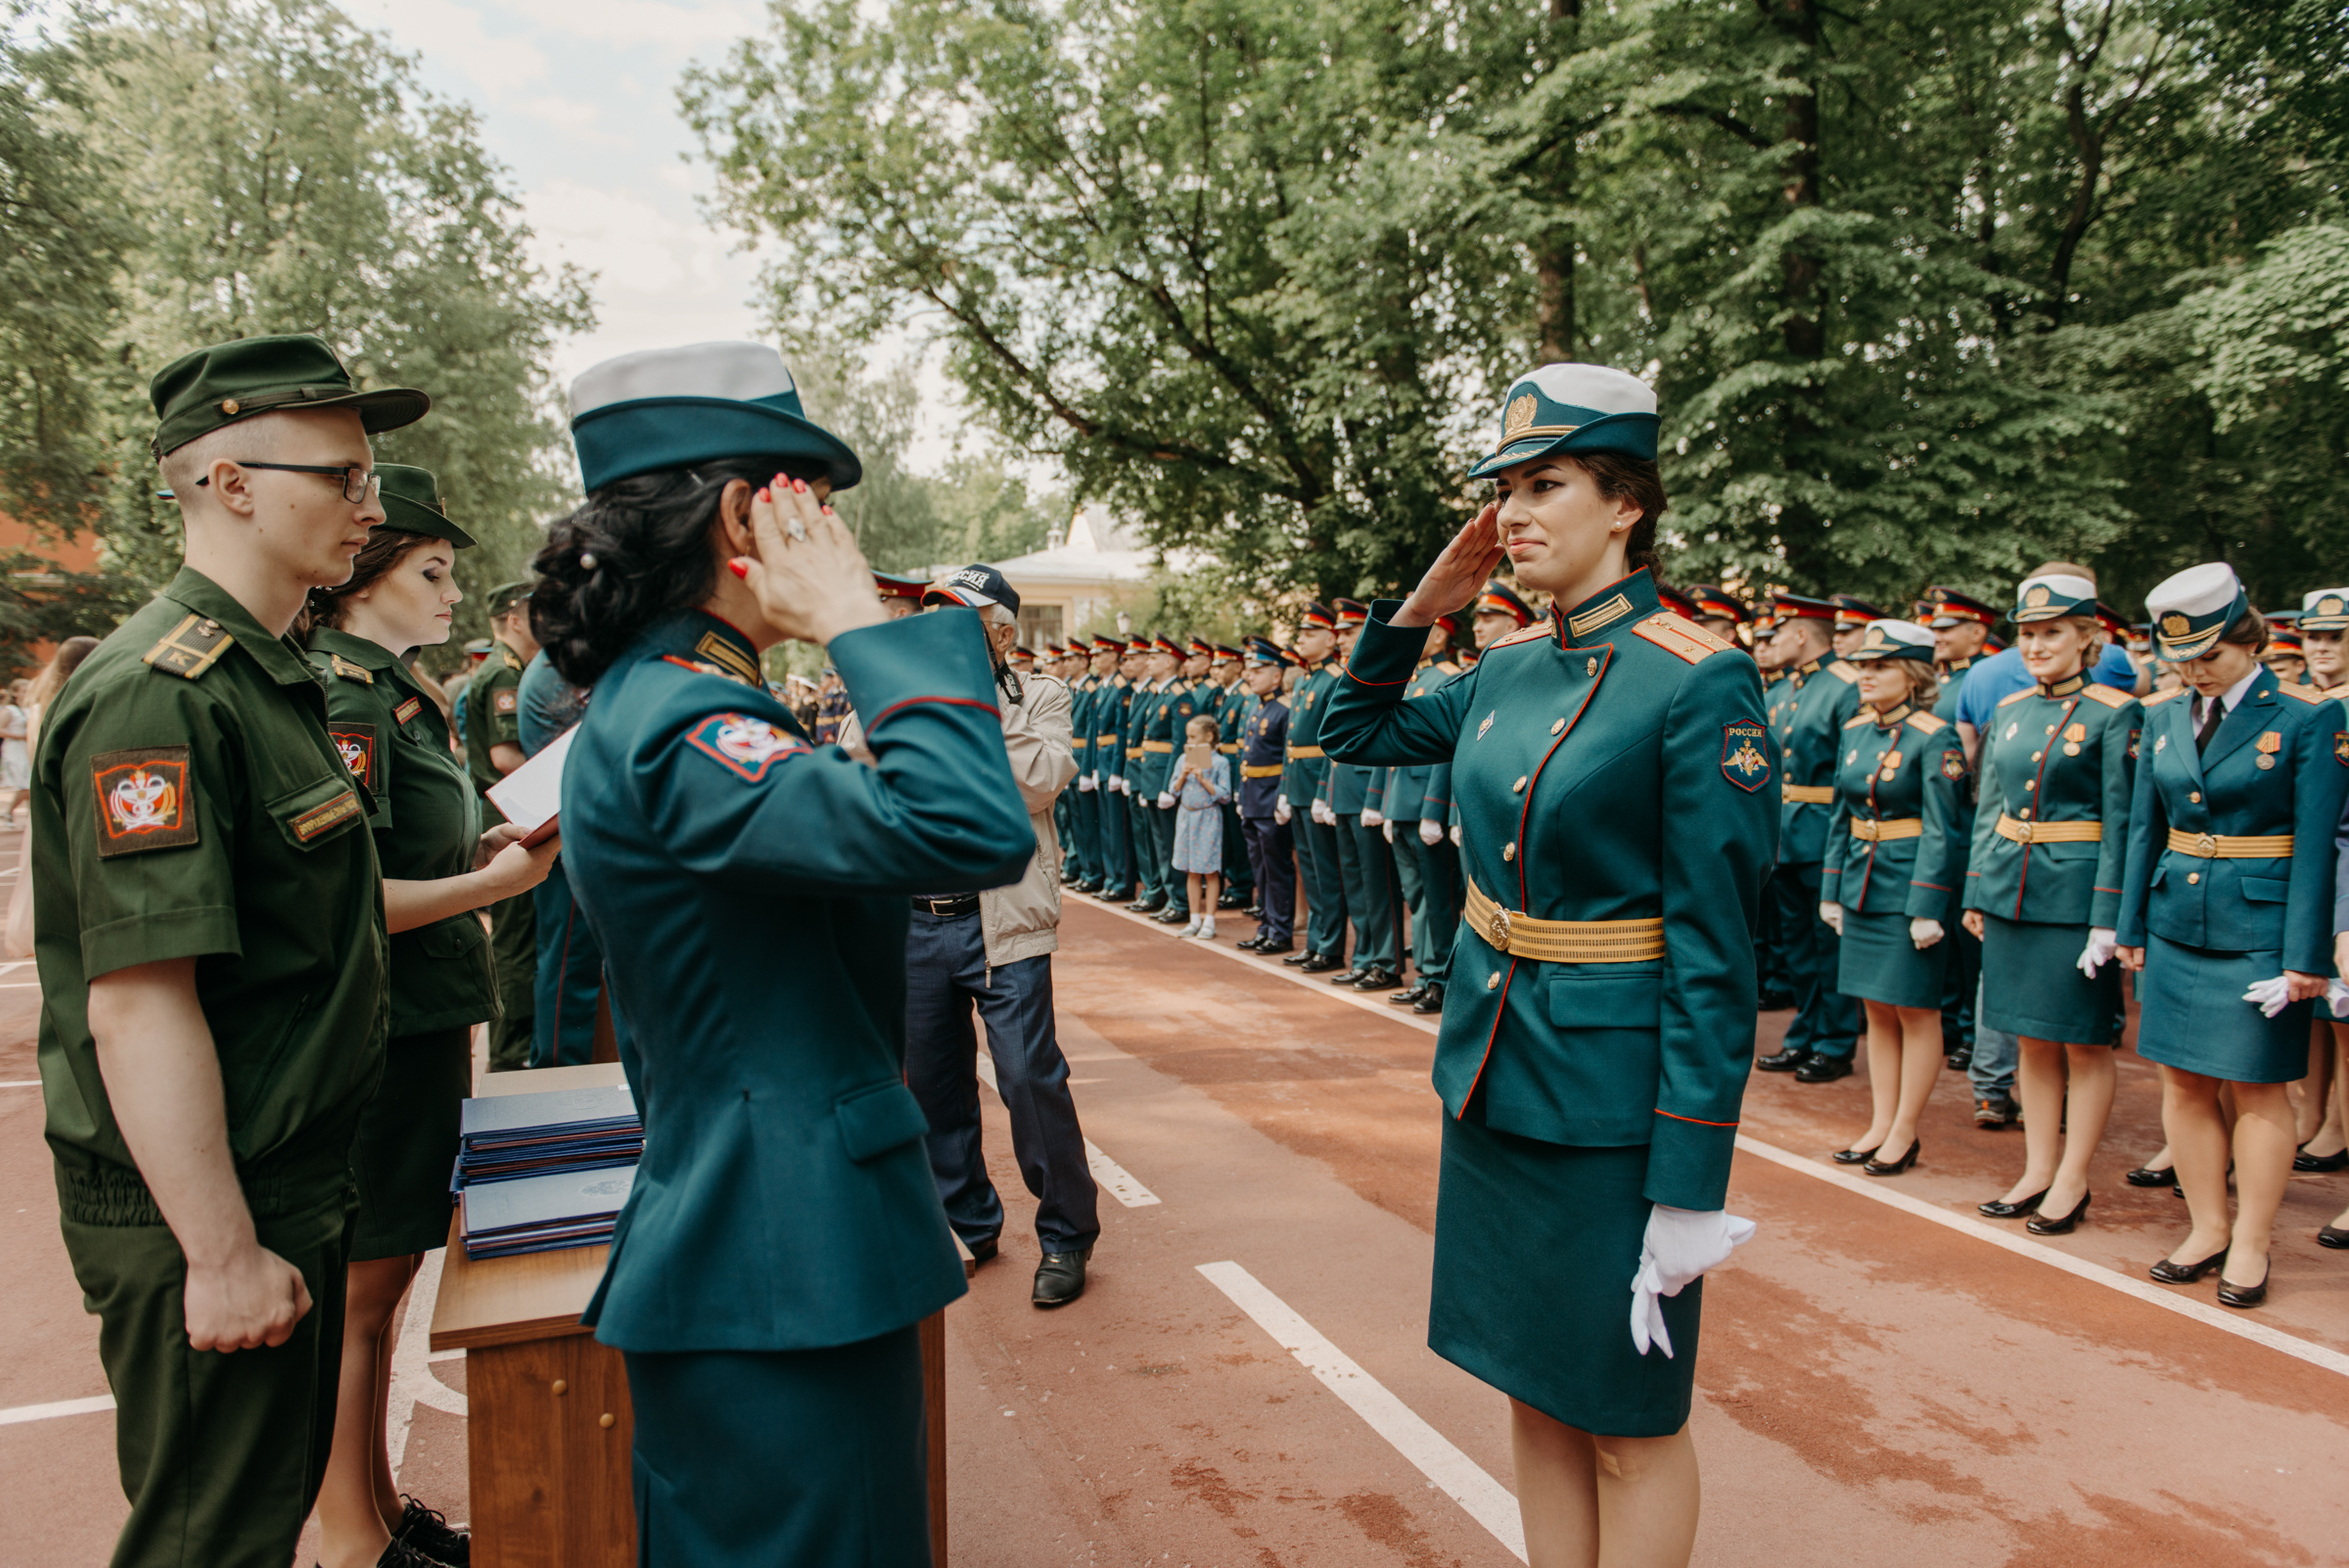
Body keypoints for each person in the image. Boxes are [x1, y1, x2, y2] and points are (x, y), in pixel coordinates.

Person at [534, 341, 1034, 1560]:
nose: (834, 538)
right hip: (782, 1256)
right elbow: (970, 828)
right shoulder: (686, 720)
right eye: (808, 502)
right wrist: (861, 621)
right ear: (739, 514)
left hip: (771, 1248)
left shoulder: (678, 703)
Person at [1321, 362, 1775, 1568]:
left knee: (1628, 1418)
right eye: (1505, 489)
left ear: (1625, 502)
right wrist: (1423, 602)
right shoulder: (1510, 666)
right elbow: (1352, 729)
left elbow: (1716, 953)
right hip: (1493, 1079)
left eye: (1546, 484)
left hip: (1614, 1110)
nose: (1514, 512)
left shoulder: (1697, 676)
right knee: (1529, 1385)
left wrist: (1690, 1179)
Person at [36, 333, 427, 1568]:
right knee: (211, 1543)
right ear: (232, 484)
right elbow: (140, 1005)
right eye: (342, 476)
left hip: (286, 1174)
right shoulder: (162, 693)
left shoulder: (266, 677)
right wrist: (219, 1253)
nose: (369, 507)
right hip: (213, 1202)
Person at [304, 464, 559, 1568]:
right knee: (361, 1291)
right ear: (366, 576)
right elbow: (344, 892)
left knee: (390, 1278)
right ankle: (353, 1538)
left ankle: (383, 1503)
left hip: (422, 1016)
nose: (454, 592)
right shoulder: (348, 698)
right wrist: (487, 889)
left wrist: (484, 851)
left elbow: (413, 844)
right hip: (380, 1019)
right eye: (432, 570)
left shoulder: (399, 692)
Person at [2117, 563, 2347, 1310]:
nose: (2196, 672)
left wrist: (2309, 958)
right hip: (2178, 923)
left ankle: (2251, 1238)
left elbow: (2319, 845)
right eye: (2182, 659)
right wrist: (2129, 926)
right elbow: (2143, 830)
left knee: (2258, 1088)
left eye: (2210, 656)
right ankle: (2207, 1226)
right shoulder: (2160, 716)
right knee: (2181, 1082)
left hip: (2260, 928)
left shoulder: (2307, 717)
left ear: (2248, 638)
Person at [905, 564, 1101, 1307]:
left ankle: (1066, 1235)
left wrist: (969, 708)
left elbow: (1040, 780)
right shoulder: (900, 699)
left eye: (959, 622)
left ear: (1000, 634)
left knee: (1027, 1077)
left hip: (1002, 920)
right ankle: (968, 1223)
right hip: (916, 917)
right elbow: (862, 765)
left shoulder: (1041, 695)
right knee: (932, 1084)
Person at [1961, 572, 2140, 1233]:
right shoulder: (2008, 713)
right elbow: (1990, 809)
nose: (2035, 646)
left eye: (2051, 632)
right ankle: (2038, 1168)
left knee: (2083, 1042)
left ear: (2086, 636)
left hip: (2075, 897)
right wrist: (1978, 886)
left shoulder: (2116, 712)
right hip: (2012, 889)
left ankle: (2073, 1178)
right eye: (2028, 634)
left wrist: (2107, 916)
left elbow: (2122, 823)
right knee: (2029, 1039)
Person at [1819, 619, 1965, 1176]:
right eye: (1863, 666)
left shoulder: (1935, 735)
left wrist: (1928, 905)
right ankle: (1881, 1122)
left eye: (1880, 667)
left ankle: (1905, 1130)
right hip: (1860, 883)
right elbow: (1841, 815)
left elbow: (1942, 828)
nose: (1866, 676)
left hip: (1907, 890)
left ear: (1912, 674)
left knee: (1916, 1009)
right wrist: (1831, 889)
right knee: (1876, 1009)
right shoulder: (1856, 731)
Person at [1757, 591, 1864, 1083]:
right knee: (1798, 945)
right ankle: (1804, 1035)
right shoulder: (1781, 691)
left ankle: (1836, 1042)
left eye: (1779, 631)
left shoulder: (1847, 685)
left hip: (1824, 833)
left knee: (1830, 946)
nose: (1772, 641)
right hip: (1786, 834)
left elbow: (1853, 771)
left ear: (1801, 633)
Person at [460, 579, 538, 1071]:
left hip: (506, 821)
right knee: (515, 944)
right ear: (514, 617)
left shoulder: (509, 669)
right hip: (508, 822)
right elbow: (506, 756)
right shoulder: (505, 674)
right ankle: (510, 1055)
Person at [517, 632, 601, 1068]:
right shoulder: (562, 665)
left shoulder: (563, 657)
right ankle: (557, 1068)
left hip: (573, 824)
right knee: (570, 968)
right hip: (568, 832)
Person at [1927, 587, 2001, 1073]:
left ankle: (1971, 1032)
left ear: (1977, 631)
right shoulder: (1942, 681)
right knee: (1950, 934)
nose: (1938, 636)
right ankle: (1953, 1023)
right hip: (1941, 814)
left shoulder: (1982, 679)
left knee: (1968, 934)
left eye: (1947, 628)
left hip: (1968, 813)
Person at [1384, 613, 1465, 1016]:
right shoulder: (1417, 679)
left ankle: (1441, 978)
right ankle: (1426, 974)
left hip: (1424, 805)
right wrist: (1384, 807)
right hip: (1402, 802)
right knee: (1417, 897)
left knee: (1439, 900)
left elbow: (1442, 752)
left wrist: (1435, 809)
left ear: (1442, 633)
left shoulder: (1448, 676)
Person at [1321, 599, 1404, 991]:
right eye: (1338, 633)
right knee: (1355, 882)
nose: (1342, 639)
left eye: (1350, 632)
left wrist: (1376, 799)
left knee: (1377, 885)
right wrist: (1326, 792)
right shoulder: (1344, 675)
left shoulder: (1381, 675)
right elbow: (1330, 741)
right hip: (1343, 792)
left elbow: (1384, 741)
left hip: (1367, 792)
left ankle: (1386, 961)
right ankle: (1364, 955)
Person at [4, 635, 100, 960]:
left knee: (46, 872)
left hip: (43, 793)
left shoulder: (39, 705)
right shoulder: (83, 698)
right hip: (73, 793)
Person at [2298, 586, 2349, 1180]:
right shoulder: (2307, 704)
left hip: (2343, 874)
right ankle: (2315, 1120)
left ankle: (2335, 1125)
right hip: (2312, 873)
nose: (2321, 646)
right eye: (2315, 635)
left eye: (2335, 636)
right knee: (2318, 1014)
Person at [1282, 603, 1349, 972]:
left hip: (1318, 785)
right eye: (1300, 634)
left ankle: (1331, 945)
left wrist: (1325, 791)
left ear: (1329, 638)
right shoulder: (1306, 679)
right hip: (1298, 785)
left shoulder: (1333, 679)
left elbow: (1331, 741)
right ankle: (1315, 940)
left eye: (1309, 634)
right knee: (1309, 869)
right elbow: (1290, 743)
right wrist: (1283, 790)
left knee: (1326, 871)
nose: (1301, 640)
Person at [1234, 640, 1297, 954]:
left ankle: (1280, 931)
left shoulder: (1283, 710)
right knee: (1260, 869)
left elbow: (1286, 759)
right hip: (1252, 800)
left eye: (1258, 670)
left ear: (1276, 676)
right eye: (1249, 670)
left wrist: (1281, 798)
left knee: (1276, 869)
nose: (1250, 675)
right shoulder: (1257, 707)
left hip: (1270, 801)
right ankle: (1266, 926)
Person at [1169, 713, 1232, 939]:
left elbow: (1225, 795)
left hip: (1208, 817)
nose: (1189, 742)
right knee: (1191, 870)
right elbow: (1172, 790)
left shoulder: (1220, 762)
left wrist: (1204, 779)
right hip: (1187, 817)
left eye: (1194, 737)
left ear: (1209, 736)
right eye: (1188, 737)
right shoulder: (1182, 759)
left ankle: (1210, 920)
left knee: (1209, 869)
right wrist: (1183, 775)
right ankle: (1194, 919)